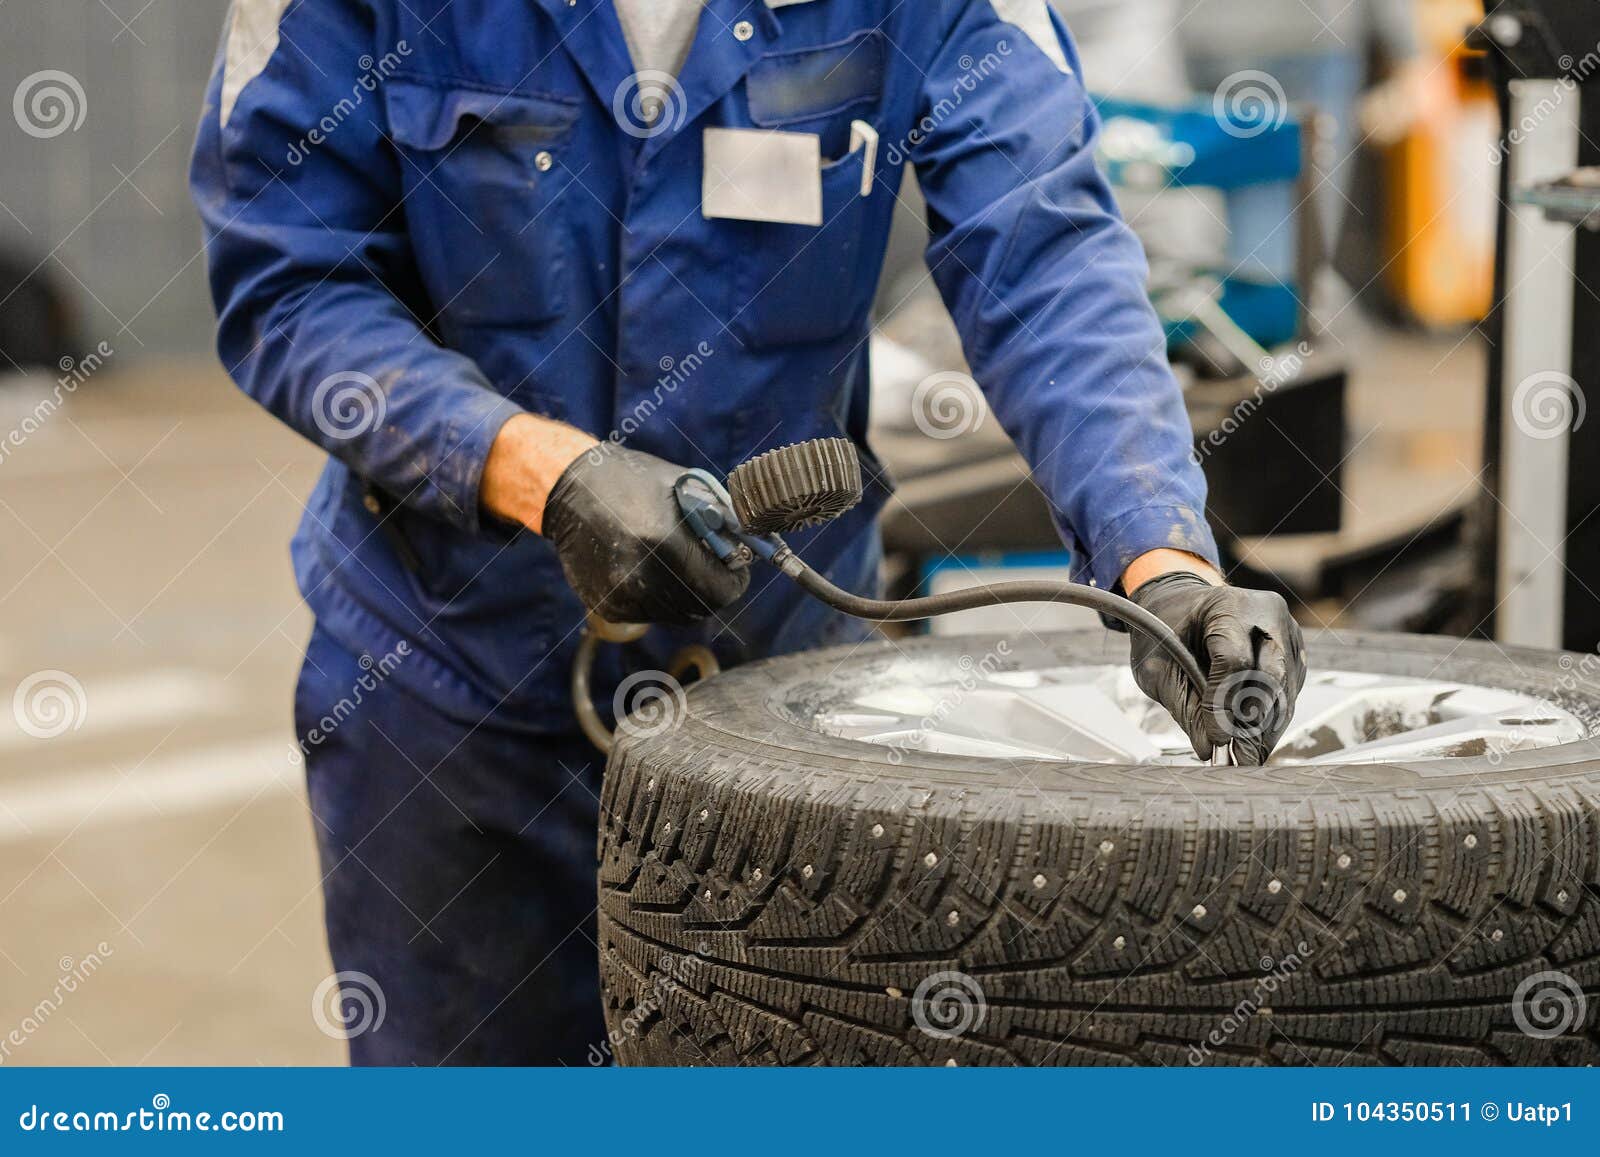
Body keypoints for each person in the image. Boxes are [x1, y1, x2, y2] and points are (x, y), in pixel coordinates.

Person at [191, 0, 1305, 1064]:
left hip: (779, 701)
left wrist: (1159, 560)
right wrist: (542, 470)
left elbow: (1043, 253)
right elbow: (292, 280)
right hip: (448, 694)